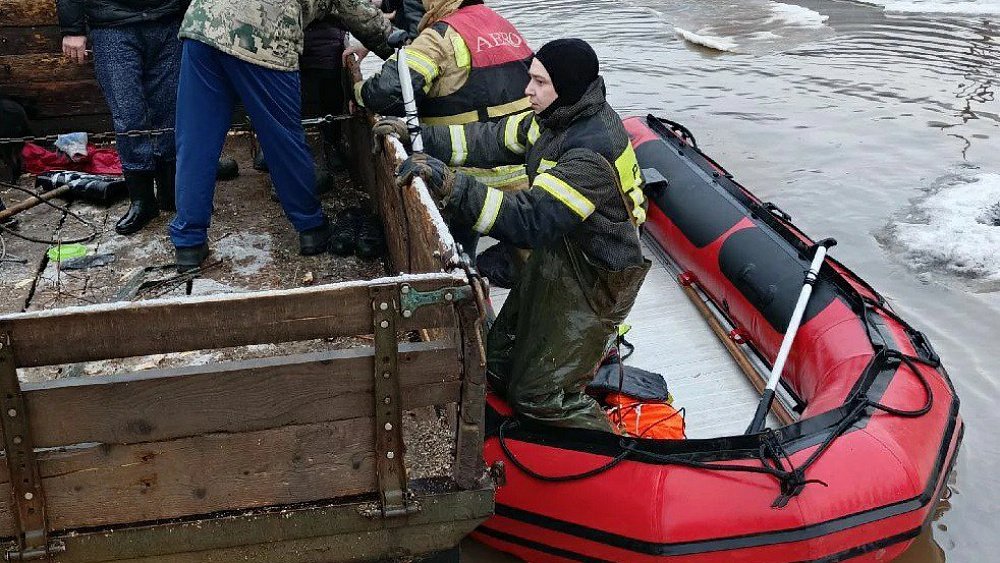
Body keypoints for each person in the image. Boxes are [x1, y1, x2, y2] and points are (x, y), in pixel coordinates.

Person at [385, 39, 650, 431]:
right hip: (561, 253)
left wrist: (451, 185)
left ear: (567, 87)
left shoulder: (589, 154)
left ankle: (617, 450)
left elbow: (530, 220)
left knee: (538, 397)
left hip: (598, 278)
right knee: (499, 358)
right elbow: (487, 140)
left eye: (540, 82)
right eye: (531, 79)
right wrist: (416, 136)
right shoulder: (555, 117)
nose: (528, 90)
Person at [168, 0, 396, 272]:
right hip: (264, 33)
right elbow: (356, 10)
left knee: (196, 138)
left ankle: (188, 243)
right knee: (282, 138)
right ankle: (310, 225)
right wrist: (403, 49)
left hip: (203, 27)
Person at [57, 0, 189, 236]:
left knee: (171, 109)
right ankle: (143, 201)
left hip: (168, 19)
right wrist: (72, 28)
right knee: (128, 116)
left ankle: (173, 193)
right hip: (112, 25)